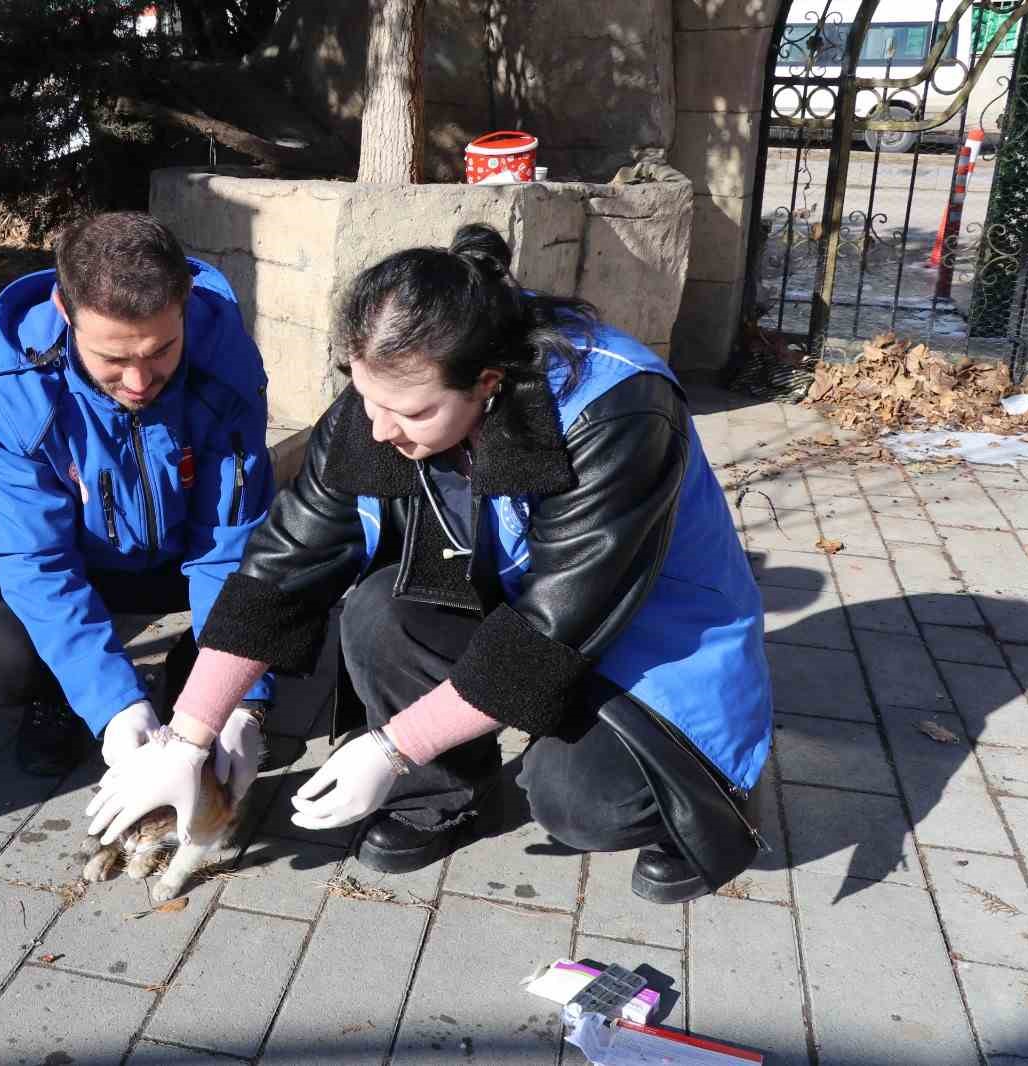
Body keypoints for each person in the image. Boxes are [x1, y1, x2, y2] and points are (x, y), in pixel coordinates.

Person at [86, 223, 773, 903]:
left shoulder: (618, 413)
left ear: (488, 382)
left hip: (650, 639)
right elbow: (285, 563)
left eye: (409, 413)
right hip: (519, 605)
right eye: (367, 399)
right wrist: (190, 735)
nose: (380, 430)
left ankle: (713, 788)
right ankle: (445, 797)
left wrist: (390, 747)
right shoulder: (393, 387)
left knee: (578, 805)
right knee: (379, 611)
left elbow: (550, 635)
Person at [0, 212, 274, 788]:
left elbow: (227, 546)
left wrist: (238, 697)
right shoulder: (10, 385)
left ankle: (193, 676)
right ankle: (62, 697)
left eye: (160, 351)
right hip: (72, 558)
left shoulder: (225, 366)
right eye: (114, 359)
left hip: (181, 553)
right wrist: (115, 703)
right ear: (64, 311)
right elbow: (34, 559)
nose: (141, 382)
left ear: (186, 304)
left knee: (286, 597)